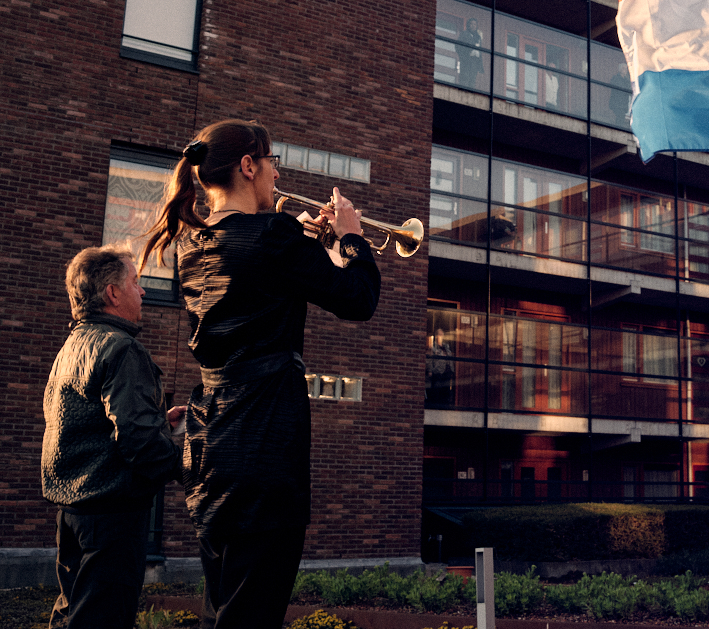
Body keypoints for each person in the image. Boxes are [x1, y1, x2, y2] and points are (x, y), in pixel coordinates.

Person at [140, 119, 381, 629]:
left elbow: (261, 289)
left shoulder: (192, 249)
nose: (276, 175)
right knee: (252, 615)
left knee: (223, 608)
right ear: (249, 166)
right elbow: (359, 300)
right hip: (266, 440)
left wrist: (321, 249)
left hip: (210, 445)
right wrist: (353, 239)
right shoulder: (274, 235)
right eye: (273, 164)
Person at [42, 245, 184, 629]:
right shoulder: (122, 348)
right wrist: (189, 464)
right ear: (112, 294)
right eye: (136, 283)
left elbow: (89, 422)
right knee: (102, 620)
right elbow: (136, 440)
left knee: (73, 614)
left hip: (73, 513)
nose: (143, 292)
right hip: (112, 518)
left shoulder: (72, 346)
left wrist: (158, 421)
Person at [425, 326, 455, 407]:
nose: (440, 336)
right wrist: (430, 370)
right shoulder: (433, 347)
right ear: (436, 336)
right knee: (437, 391)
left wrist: (452, 370)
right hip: (438, 372)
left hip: (447, 373)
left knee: (445, 392)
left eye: (442, 334)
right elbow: (429, 359)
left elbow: (450, 358)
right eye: (439, 334)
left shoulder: (446, 346)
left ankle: (444, 406)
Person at [454, 17, 484, 90]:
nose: (473, 25)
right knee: (465, 78)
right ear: (468, 25)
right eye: (471, 24)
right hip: (466, 60)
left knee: (472, 79)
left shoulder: (478, 37)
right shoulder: (464, 34)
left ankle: (470, 94)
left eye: (475, 24)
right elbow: (458, 47)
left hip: (475, 62)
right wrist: (465, 55)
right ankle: (462, 93)